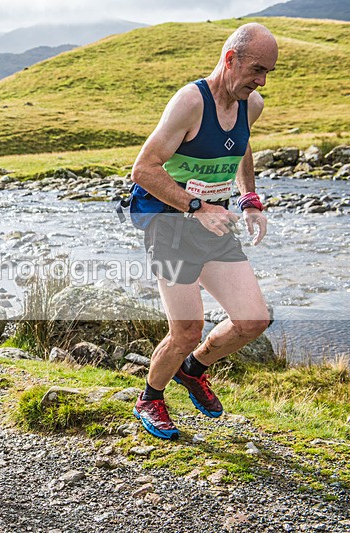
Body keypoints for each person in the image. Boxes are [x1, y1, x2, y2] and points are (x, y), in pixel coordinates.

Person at [129, 23, 277, 440]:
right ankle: (150, 398)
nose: (261, 81)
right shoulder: (190, 102)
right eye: (256, 70)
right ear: (230, 59)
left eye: (268, 73)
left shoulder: (251, 103)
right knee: (186, 331)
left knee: (253, 319)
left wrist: (249, 199)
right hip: (170, 224)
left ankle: (193, 370)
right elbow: (143, 170)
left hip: (214, 222)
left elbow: (242, 145)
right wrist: (196, 206)